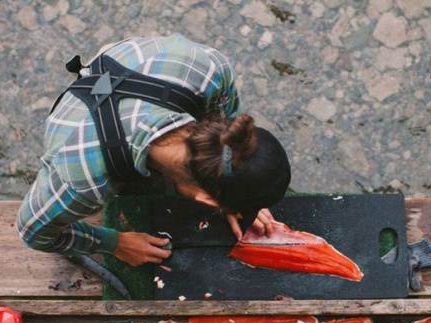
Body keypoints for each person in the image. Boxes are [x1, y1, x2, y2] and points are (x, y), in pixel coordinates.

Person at [17, 33, 291, 267]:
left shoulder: (210, 69)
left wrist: (238, 186)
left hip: (147, 65)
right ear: (206, 200)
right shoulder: (83, 179)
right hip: (79, 124)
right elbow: (33, 231)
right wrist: (113, 242)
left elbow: (229, 122)